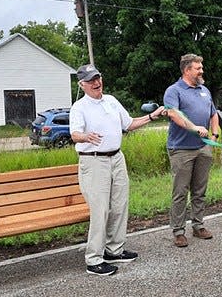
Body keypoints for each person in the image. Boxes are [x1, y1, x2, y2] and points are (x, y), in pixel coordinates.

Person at [69, 64, 164, 276]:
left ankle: (114, 250)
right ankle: (94, 259)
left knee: (120, 205)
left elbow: (128, 124)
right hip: (94, 162)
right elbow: (75, 134)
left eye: (98, 77)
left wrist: (151, 117)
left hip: (116, 158)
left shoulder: (111, 101)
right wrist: (86, 137)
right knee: (100, 210)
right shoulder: (79, 107)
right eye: (91, 80)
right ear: (82, 84)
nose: (96, 82)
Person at [163, 54, 219, 248]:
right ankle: (178, 231)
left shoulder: (204, 90)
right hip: (181, 149)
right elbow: (173, 114)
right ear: (187, 70)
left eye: (201, 67)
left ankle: (198, 225)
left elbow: (213, 114)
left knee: (200, 190)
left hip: (203, 148)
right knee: (180, 191)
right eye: (198, 68)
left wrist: (214, 135)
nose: (201, 71)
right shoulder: (174, 91)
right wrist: (195, 128)